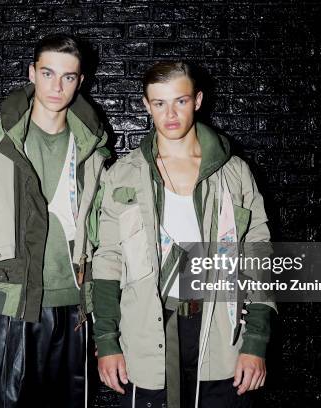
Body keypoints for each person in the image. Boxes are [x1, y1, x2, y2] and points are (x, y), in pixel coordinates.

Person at [91, 61, 277, 408]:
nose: (170, 113)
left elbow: (258, 254)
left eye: (180, 101)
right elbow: (107, 260)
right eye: (159, 103)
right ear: (146, 105)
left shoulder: (233, 173)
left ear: (198, 100)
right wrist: (107, 341)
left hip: (221, 334)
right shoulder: (124, 174)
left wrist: (255, 341)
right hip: (146, 333)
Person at [0, 34, 110, 407]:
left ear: (80, 81)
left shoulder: (94, 152)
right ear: (32, 74)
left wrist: (106, 326)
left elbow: (103, 243)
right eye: (48, 73)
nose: (57, 86)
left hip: (76, 315)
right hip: (11, 311)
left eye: (68, 77)